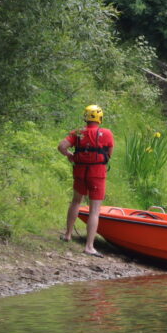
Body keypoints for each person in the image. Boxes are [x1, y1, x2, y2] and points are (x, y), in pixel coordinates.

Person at [57, 105, 115, 258]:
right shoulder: (107, 134)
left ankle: (68, 234)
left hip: (80, 172)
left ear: (85, 117)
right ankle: (89, 247)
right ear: (100, 118)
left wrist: (69, 155)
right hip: (97, 174)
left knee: (76, 201)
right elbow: (109, 154)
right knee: (94, 210)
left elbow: (61, 146)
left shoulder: (77, 132)